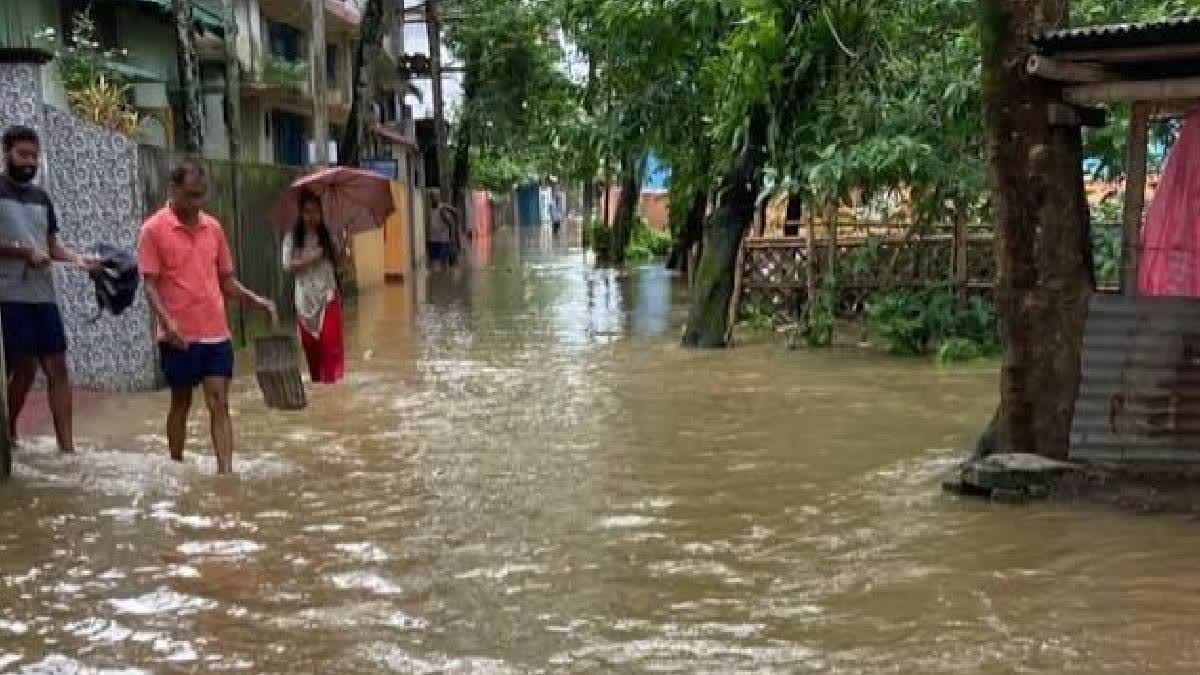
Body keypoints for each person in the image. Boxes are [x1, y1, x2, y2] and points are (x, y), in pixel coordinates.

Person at [137, 158, 276, 474]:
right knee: (181, 403)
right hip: (178, 337)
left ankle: (225, 472)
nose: (196, 203)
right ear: (173, 190)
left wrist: (255, 300)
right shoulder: (153, 230)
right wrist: (166, 322)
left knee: (219, 402)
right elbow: (150, 285)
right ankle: (175, 465)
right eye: (190, 195)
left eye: (201, 195)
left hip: (216, 333)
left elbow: (226, 280)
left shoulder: (213, 228)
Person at [0, 125, 99, 453]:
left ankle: (67, 448)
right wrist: (21, 252)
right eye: (22, 155)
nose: (29, 162)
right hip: (10, 296)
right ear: (6, 154)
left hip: (44, 296)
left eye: (33, 156)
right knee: (23, 369)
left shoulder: (42, 197)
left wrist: (79, 260)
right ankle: (9, 428)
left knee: (58, 367)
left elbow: (52, 245)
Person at [282, 191, 345, 384]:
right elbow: (287, 265)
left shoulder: (329, 236)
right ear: (301, 213)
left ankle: (332, 396)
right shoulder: (292, 238)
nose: (312, 217)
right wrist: (312, 258)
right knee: (312, 355)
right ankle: (320, 394)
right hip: (304, 301)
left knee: (330, 348)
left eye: (316, 212)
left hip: (327, 298)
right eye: (307, 212)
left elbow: (341, 265)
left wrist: (343, 248)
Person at [427, 194, 454, 271]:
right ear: (430, 199)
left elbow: (450, 223)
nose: (434, 199)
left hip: (442, 240)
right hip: (432, 239)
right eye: (432, 198)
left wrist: (451, 238)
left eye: (435, 197)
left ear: (438, 198)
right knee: (433, 262)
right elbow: (429, 224)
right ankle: (437, 279)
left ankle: (444, 278)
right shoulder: (431, 209)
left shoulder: (442, 209)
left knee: (443, 262)